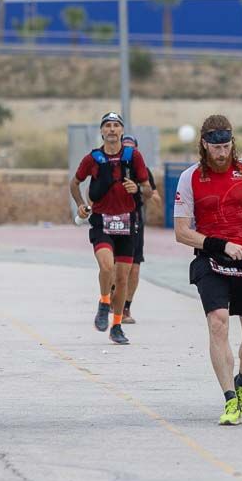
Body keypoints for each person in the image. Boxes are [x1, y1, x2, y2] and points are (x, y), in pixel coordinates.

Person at [173, 115, 242, 426]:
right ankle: (230, 399)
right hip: (211, 259)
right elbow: (181, 232)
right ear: (204, 144)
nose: (222, 153)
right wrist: (221, 245)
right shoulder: (189, 178)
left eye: (227, 146)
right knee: (218, 324)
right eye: (216, 147)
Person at [70, 112, 151, 345]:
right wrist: (80, 205)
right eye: (108, 126)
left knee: (123, 279)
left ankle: (116, 327)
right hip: (102, 221)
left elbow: (147, 189)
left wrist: (136, 187)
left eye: (116, 126)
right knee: (107, 267)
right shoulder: (93, 158)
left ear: (122, 131)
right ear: (102, 132)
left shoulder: (133, 156)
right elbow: (75, 183)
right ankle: (104, 302)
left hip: (127, 223)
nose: (112, 130)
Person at [119, 135, 162, 325]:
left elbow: (153, 193)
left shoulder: (142, 169)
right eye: (125, 148)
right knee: (115, 267)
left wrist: (145, 193)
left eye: (131, 149)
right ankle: (110, 296)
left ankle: (126, 307)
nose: (128, 152)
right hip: (114, 220)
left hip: (135, 220)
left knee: (134, 270)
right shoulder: (111, 166)